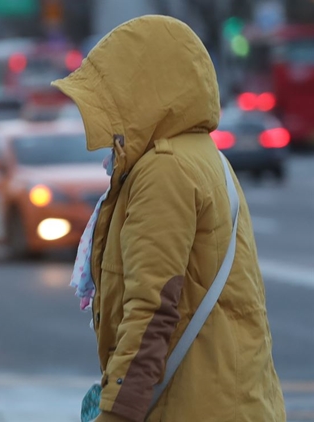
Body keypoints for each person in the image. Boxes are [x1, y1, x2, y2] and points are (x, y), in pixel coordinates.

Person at [52, 15, 286, 422]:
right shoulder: (201, 156)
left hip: (195, 407)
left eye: (112, 94)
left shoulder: (165, 170)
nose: (102, 113)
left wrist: (116, 413)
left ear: (142, 91)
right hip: (227, 400)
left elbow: (152, 309)